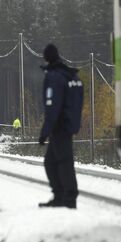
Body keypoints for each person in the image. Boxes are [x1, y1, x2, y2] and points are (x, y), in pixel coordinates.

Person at [38, 44, 84, 209]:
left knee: (64, 162)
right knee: (51, 162)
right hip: (67, 125)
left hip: (60, 128)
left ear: (47, 57)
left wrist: (45, 131)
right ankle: (60, 196)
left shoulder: (55, 77)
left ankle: (69, 198)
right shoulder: (69, 75)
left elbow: (53, 107)